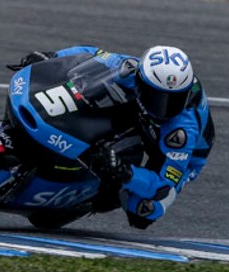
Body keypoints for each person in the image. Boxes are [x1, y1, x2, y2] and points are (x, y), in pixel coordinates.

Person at [15, 46, 215, 229]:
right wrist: (51, 57)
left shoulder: (182, 132)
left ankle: (95, 198)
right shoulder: (132, 68)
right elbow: (90, 54)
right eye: (157, 96)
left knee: (142, 211)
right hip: (140, 115)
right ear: (141, 80)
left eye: (174, 100)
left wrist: (126, 173)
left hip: (184, 156)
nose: (163, 107)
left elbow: (162, 183)